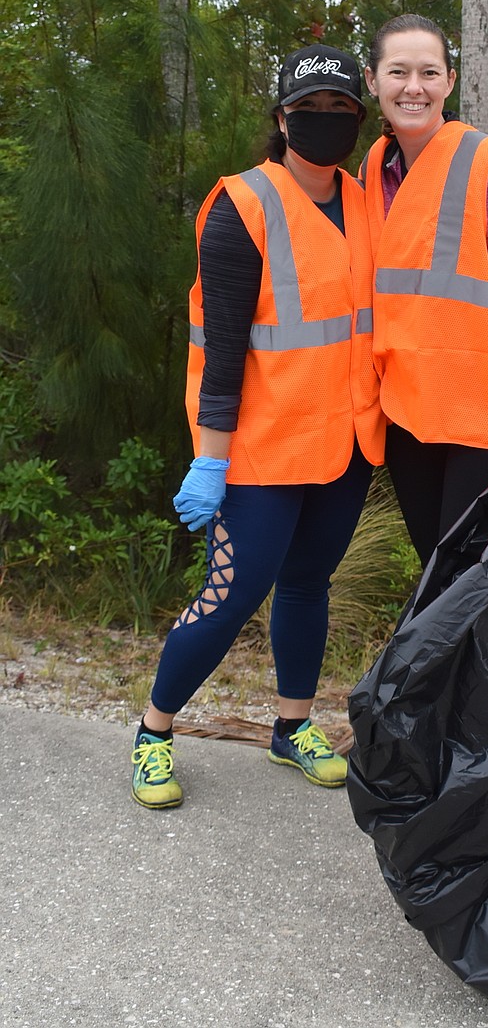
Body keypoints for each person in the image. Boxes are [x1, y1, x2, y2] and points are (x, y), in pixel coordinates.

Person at [131, 44, 384, 810]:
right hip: (262, 450)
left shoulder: (368, 200)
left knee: (309, 583)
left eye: (343, 111)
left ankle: (291, 728)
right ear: (281, 118)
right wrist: (211, 460)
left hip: (345, 446)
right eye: (312, 110)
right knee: (233, 593)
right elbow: (223, 343)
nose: (327, 123)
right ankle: (153, 732)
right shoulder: (243, 204)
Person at [360, 13, 488, 568]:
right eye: (398, 72)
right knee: (438, 578)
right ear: (373, 82)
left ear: (449, 80)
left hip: (481, 421)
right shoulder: (376, 166)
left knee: (474, 586)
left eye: (428, 72)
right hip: (406, 415)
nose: (412, 87)